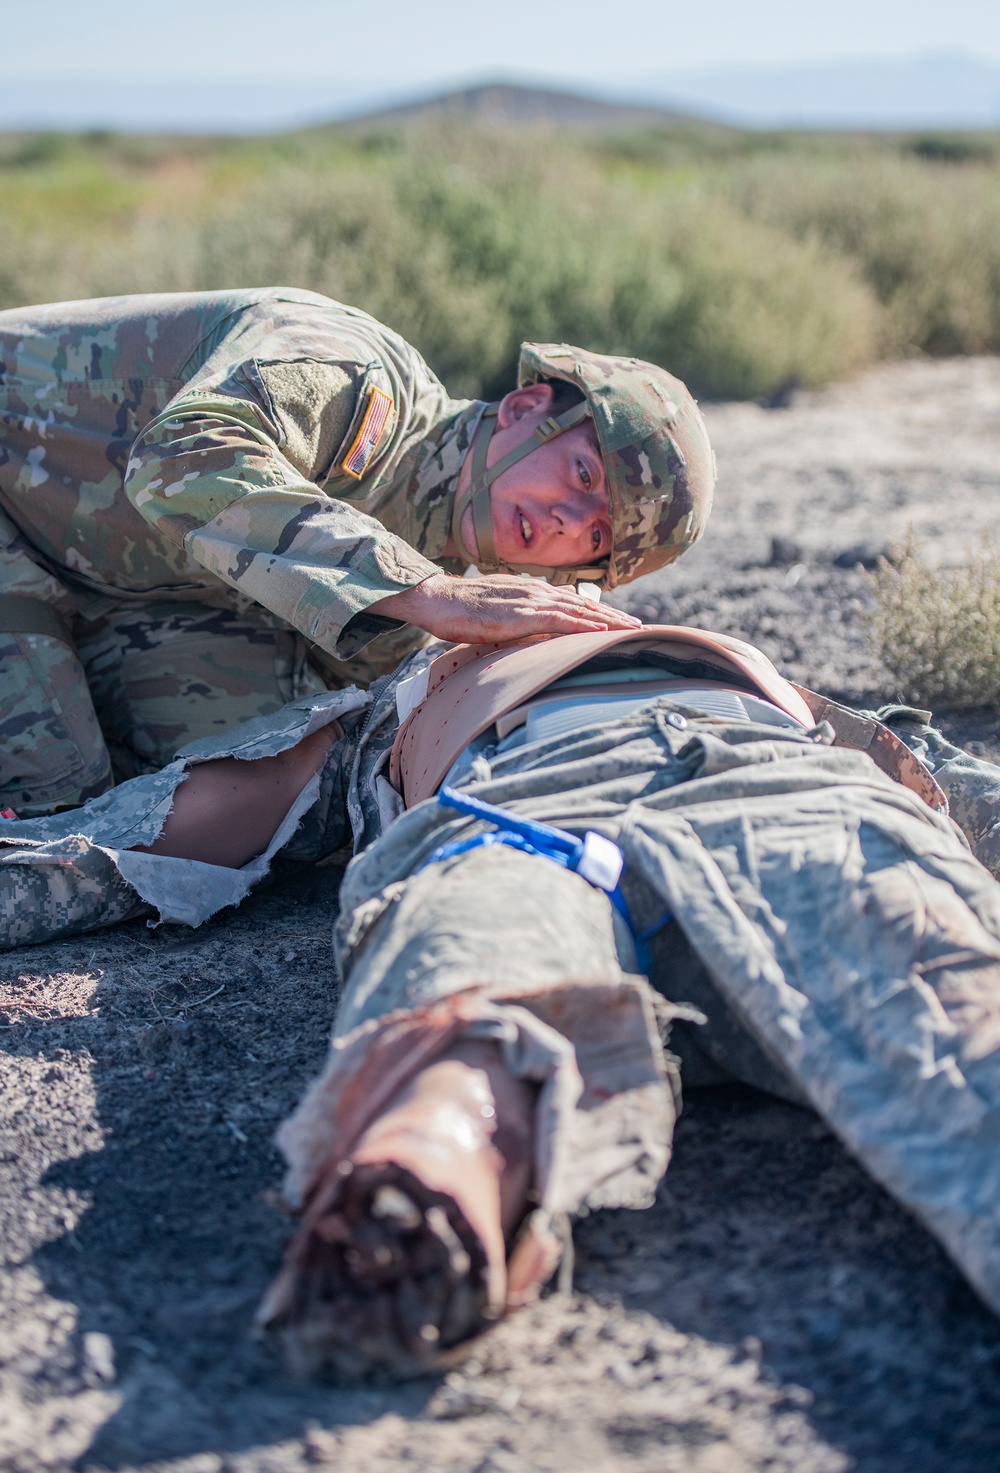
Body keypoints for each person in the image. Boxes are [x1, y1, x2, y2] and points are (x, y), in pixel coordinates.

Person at [4, 623, 1000, 1384]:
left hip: (781, 788)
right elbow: (168, 825)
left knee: (950, 993)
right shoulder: (386, 705)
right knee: (465, 1015)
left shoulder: (786, 688)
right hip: (517, 810)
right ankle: (417, 1207)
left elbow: (949, 785)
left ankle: (436, 1161)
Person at [0, 287, 714, 817]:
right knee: (55, 795)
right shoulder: (355, 375)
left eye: (593, 538)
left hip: (74, 577)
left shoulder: (421, 596)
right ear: (526, 409)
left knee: (262, 773)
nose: (565, 516)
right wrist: (426, 591)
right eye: (583, 475)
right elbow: (180, 456)